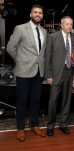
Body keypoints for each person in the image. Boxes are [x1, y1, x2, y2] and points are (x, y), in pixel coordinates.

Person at [6, 4, 47, 142]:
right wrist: (21, 60)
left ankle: (34, 126)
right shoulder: (20, 28)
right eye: (35, 12)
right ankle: (20, 129)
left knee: (35, 101)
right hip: (24, 71)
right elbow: (10, 48)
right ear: (30, 14)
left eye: (40, 12)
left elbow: (42, 53)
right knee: (22, 100)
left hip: (38, 71)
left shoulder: (44, 31)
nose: (38, 14)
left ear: (42, 15)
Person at [45, 16, 74, 136]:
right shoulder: (53, 37)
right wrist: (48, 75)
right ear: (61, 25)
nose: (70, 26)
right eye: (67, 24)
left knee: (67, 99)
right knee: (53, 100)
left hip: (69, 71)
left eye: (71, 24)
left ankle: (63, 124)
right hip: (56, 73)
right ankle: (50, 125)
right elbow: (47, 56)